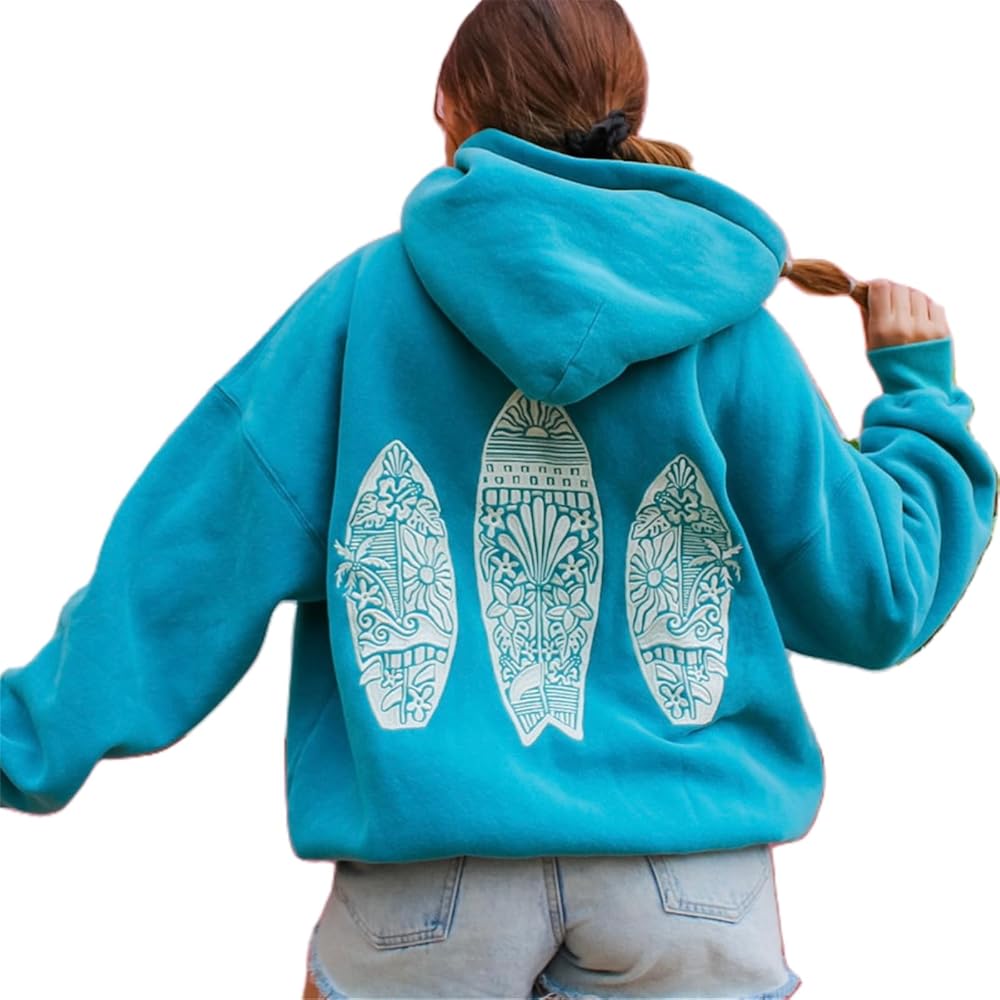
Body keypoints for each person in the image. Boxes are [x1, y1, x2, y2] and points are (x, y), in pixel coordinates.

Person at [3, 1, 996, 998]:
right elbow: (877, 594)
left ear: (446, 106)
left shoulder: (359, 307)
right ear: (628, 111)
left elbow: (185, 563)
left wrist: (26, 741)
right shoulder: (728, 331)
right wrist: (919, 398)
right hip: (687, 879)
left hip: (432, 883)